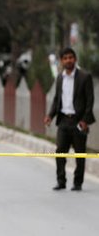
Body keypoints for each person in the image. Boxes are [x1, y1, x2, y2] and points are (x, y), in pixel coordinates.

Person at [44, 47, 95, 191]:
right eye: (65, 58)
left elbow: (90, 101)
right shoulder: (60, 78)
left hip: (79, 121)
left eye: (70, 57)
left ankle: (77, 183)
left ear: (75, 59)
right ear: (61, 61)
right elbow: (56, 100)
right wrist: (50, 116)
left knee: (80, 154)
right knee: (60, 151)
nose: (68, 60)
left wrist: (85, 120)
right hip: (64, 121)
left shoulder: (85, 77)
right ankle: (61, 181)